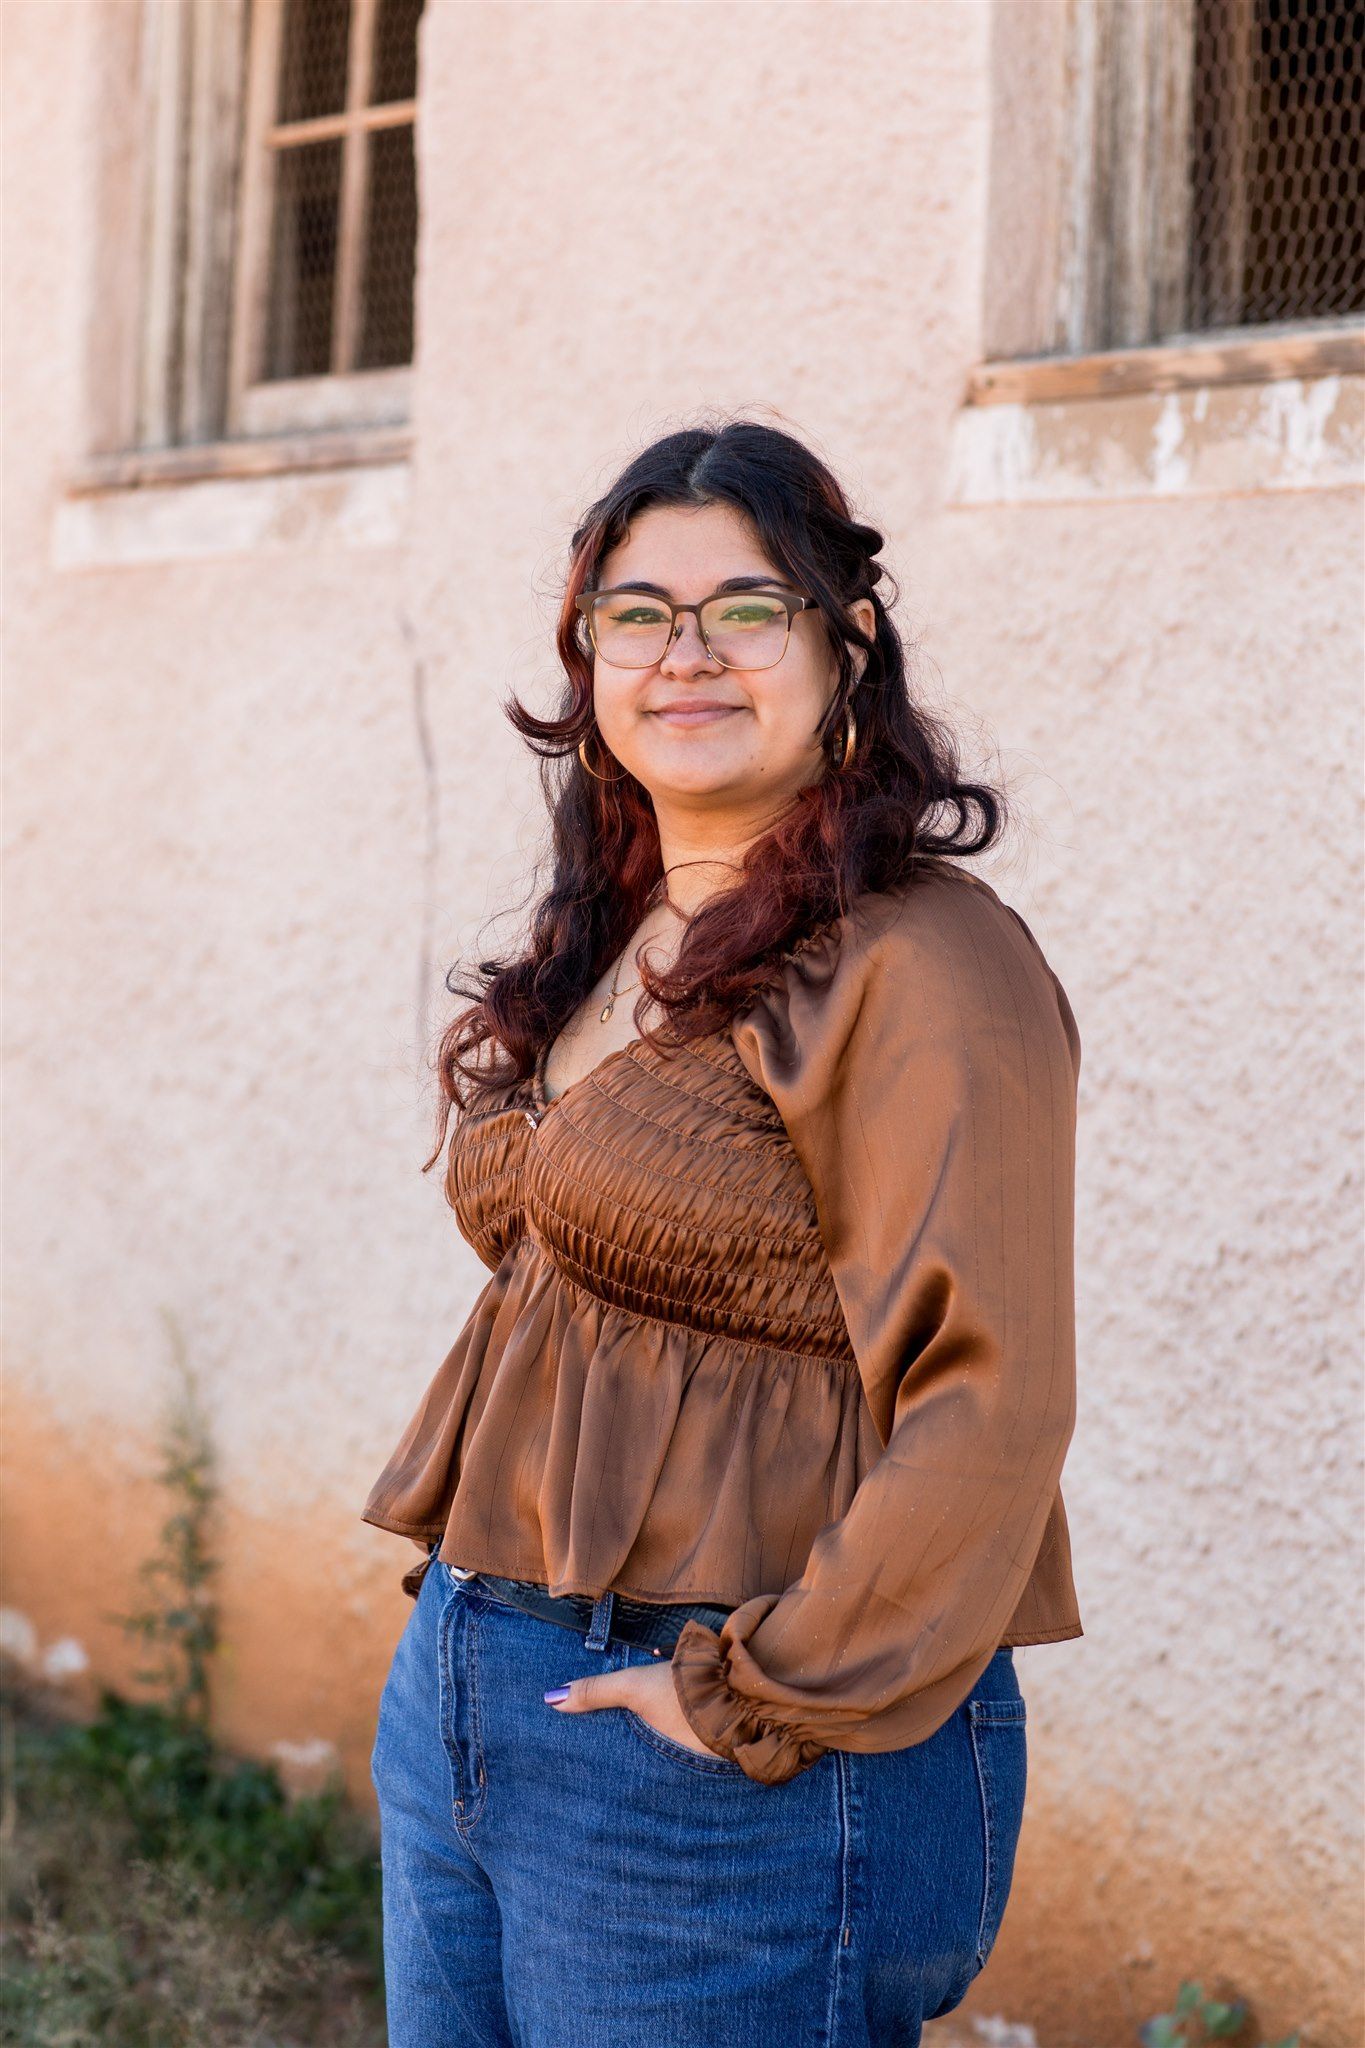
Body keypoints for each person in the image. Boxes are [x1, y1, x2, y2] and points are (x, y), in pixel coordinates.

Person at [362, 414, 1084, 2048]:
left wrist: (743, 1696)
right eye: (637, 614)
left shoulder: (919, 964)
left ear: (848, 641)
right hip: (483, 1681)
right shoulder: (624, 934)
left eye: (744, 608)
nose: (684, 654)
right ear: (588, 653)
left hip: (727, 1755)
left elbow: (993, 1395)